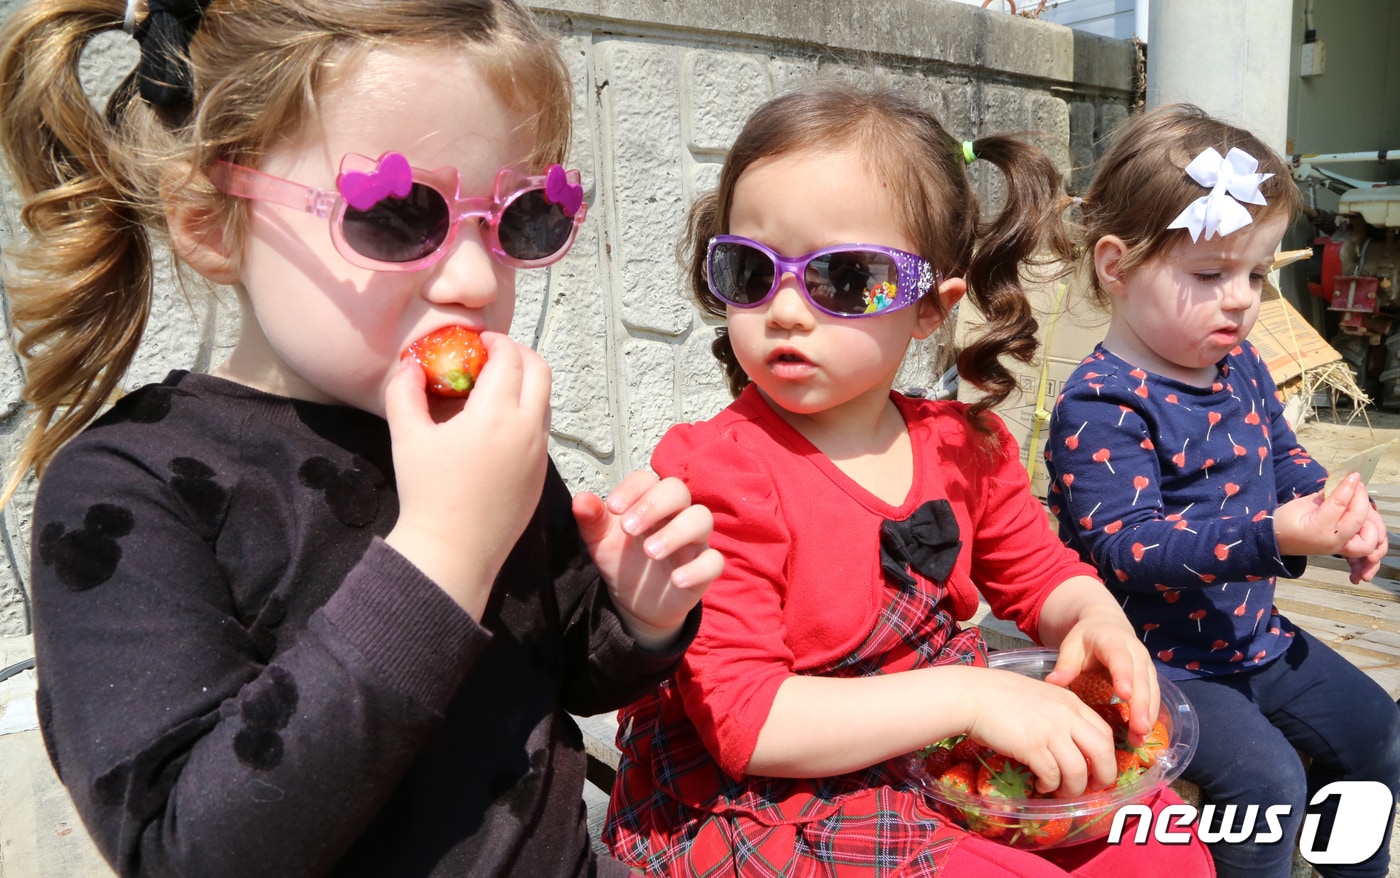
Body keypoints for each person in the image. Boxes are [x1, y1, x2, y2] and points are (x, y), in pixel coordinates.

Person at [0, 0, 724, 875]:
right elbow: (184, 852)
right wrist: (445, 550)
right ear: (206, 221)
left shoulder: (468, 431)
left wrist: (637, 616)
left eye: (521, 216)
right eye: (395, 212)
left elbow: (559, 671)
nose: (471, 277)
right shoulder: (129, 488)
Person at [602, 79, 1214, 877]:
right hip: (775, 788)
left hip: (935, 747)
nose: (786, 310)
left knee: (1162, 846)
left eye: (846, 279)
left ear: (931, 307)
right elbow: (749, 721)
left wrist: (1094, 618)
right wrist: (971, 697)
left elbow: (1039, 575)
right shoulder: (721, 470)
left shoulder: (966, 445)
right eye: (752, 271)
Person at [1044, 103, 1400, 878]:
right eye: (1211, 274)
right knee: (1265, 785)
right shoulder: (1104, 404)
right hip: (1155, 663)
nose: (1241, 298)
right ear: (1117, 265)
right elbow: (1128, 547)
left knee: (1375, 728)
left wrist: (1340, 510)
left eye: (1257, 273)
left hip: (1251, 641)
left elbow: (1283, 456)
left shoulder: (1239, 365)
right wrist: (1273, 536)